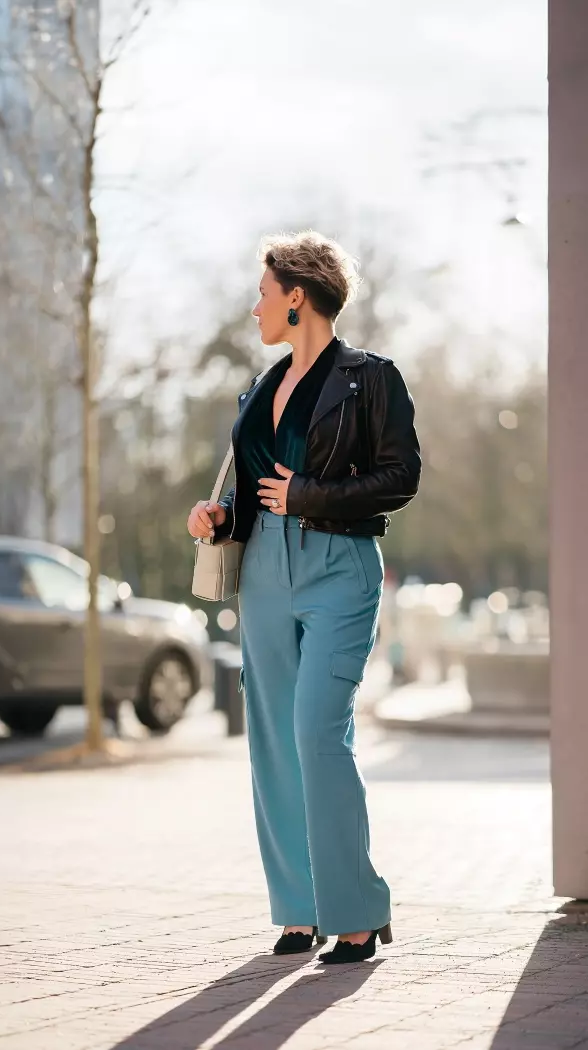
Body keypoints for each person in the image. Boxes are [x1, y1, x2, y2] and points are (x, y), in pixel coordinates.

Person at [187, 231, 421, 963]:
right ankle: (297, 909)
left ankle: (355, 911)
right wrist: (224, 518)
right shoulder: (258, 388)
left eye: (263, 293)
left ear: (297, 296)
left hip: (338, 567)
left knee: (319, 733)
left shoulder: (371, 378)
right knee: (272, 743)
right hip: (261, 571)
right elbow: (258, 492)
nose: (254, 306)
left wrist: (307, 495)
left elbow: (400, 477)